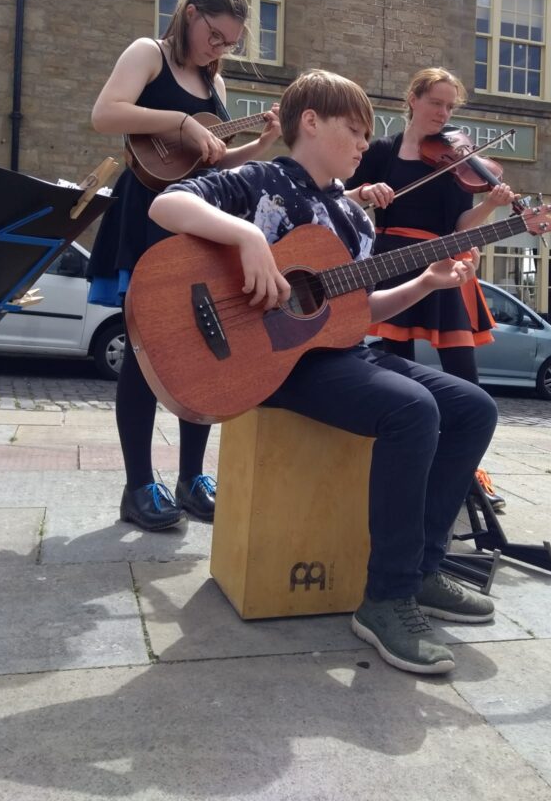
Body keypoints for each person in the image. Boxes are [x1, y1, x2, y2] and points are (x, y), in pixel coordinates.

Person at [148, 69, 499, 676]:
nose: (365, 144)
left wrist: (424, 283)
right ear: (310, 122)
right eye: (355, 130)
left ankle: (420, 569)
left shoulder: (354, 218)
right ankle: (385, 599)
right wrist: (246, 236)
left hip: (334, 354)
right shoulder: (263, 180)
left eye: (367, 134)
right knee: (412, 409)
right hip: (274, 363)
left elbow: (354, 313)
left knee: (473, 408)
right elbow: (165, 203)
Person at [87, 0, 281, 532]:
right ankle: (138, 486)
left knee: (205, 347)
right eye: (214, 35)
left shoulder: (213, 81)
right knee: (145, 351)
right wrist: (179, 121)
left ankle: (192, 478)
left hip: (195, 225)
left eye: (229, 44)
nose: (219, 49)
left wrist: (259, 146)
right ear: (191, 13)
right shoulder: (148, 53)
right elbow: (105, 113)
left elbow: (207, 165)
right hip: (145, 218)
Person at [345, 67, 513, 511]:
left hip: (441, 260)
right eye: (436, 102)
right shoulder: (381, 151)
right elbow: (343, 198)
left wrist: (489, 206)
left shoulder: (457, 159)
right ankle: (408, 464)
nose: (443, 113)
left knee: (465, 375)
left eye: (450, 106)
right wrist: (367, 191)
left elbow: (460, 225)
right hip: (390, 262)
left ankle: (468, 472)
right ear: (413, 100)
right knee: (398, 371)